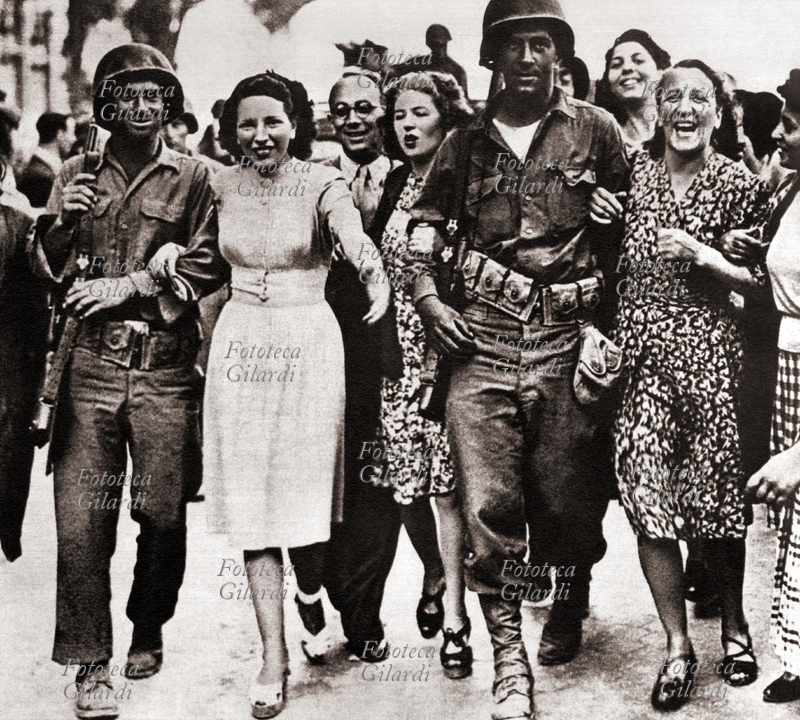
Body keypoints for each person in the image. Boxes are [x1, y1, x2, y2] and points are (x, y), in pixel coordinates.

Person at [409, 1, 629, 716]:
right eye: (514, 45)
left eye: (542, 44)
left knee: (568, 501)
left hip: (565, 339)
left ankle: (569, 595)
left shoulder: (596, 129)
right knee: (488, 507)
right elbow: (424, 227)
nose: (529, 58)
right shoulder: (463, 143)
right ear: (491, 57)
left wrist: (616, 222)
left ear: (560, 54)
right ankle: (509, 662)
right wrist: (427, 299)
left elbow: (630, 230)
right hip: (481, 338)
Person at [183, 71, 389, 718]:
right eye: (247, 123)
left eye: (273, 120)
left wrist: (373, 271)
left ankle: (310, 588)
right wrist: (165, 264)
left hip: (307, 344)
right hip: (241, 342)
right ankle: (273, 655)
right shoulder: (220, 184)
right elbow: (202, 259)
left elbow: (350, 233)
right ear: (232, 131)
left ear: (295, 124)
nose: (260, 134)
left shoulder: (323, 181)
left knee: (304, 493)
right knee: (252, 502)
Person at [37, 43, 226, 720]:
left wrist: (135, 283)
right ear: (105, 106)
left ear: (170, 104)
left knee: (162, 513)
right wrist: (63, 221)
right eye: (127, 95)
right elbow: (46, 266)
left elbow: (210, 260)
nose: (142, 107)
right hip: (88, 366)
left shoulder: (196, 177)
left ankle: (149, 620)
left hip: (165, 370)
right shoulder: (74, 171)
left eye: (155, 95)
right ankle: (90, 664)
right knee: (82, 520)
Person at [590, 60, 772, 710]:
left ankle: (734, 628)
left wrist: (707, 256)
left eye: (700, 98)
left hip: (712, 362)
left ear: (719, 114)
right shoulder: (629, 176)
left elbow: (763, 286)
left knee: (716, 503)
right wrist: (602, 217)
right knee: (648, 501)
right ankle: (676, 647)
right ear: (658, 109)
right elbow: (603, 256)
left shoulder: (739, 184)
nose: (686, 108)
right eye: (673, 97)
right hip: (640, 366)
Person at [368, 70, 474, 676]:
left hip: (452, 350)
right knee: (406, 487)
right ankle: (434, 568)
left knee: (449, 490)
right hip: (398, 355)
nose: (407, 125)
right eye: (399, 116)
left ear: (447, 118)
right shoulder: (393, 184)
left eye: (420, 113)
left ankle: (456, 618)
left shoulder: (467, 179)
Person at [321, 68, 407, 662]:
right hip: (329, 348)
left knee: (384, 479)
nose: (353, 119)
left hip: (395, 351)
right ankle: (336, 592)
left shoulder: (416, 174)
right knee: (337, 476)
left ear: (384, 113)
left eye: (365, 108)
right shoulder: (315, 180)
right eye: (341, 110)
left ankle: (365, 610)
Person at [746, 69, 800, 705]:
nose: (778, 135)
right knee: (794, 523)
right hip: (789, 366)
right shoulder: (791, 186)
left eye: (789, 123)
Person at [0, 156, 50, 563]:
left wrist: (38, 393)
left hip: (11, 356)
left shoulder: (18, 222)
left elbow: (36, 311)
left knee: (10, 441)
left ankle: (7, 526)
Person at [594, 29, 671, 158]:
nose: (626, 68)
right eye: (616, 64)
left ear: (660, 71)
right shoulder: (600, 138)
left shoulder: (678, 129)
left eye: (639, 61)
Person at [18, 113, 76, 208]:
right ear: (60, 134)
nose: (74, 139)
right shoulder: (41, 176)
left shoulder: (39, 168)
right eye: (72, 133)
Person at [424, 25, 469, 100]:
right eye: (435, 44)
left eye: (440, 45)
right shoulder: (457, 70)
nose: (439, 49)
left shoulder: (457, 70)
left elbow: (462, 99)